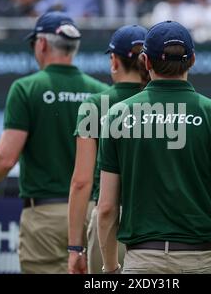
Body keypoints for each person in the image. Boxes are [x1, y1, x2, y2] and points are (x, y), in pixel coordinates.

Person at [0, 12, 109, 273]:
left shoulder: (26, 88)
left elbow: (5, 159)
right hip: (94, 214)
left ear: (41, 44)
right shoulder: (100, 92)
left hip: (45, 217)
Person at [97, 21, 211, 274]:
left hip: (142, 263)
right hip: (202, 260)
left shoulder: (118, 115)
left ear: (146, 62)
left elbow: (105, 208)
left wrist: (110, 267)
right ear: (192, 60)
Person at [68, 24, 148, 274]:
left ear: (114, 61)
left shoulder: (94, 105)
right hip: (158, 221)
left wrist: (74, 248)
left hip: (109, 222)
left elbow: (81, 181)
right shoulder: (165, 103)